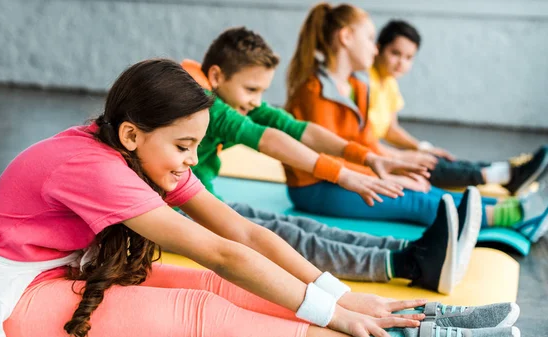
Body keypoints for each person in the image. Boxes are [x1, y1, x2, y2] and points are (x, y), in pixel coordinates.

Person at [0, 59, 520, 337]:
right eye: (183, 146)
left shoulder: (141, 150)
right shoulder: (97, 168)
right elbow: (219, 253)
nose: (190, 159)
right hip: (20, 300)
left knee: (213, 289)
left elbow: (243, 235)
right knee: (201, 313)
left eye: (196, 144)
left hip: (60, 270)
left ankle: (396, 319)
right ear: (132, 134)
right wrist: (331, 314)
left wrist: (347, 301)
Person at [181, 27, 483, 293]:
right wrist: (341, 174)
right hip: (177, 213)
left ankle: (416, 250)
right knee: (285, 237)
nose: (257, 101)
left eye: (261, 91)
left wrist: (365, 157)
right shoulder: (205, 105)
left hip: (198, 199)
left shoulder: (230, 99)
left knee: (293, 225)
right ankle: (408, 265)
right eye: (251, 90)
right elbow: (267, 139)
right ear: (218, 76)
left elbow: (298, 130)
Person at [284, 2, 548, 244]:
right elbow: (326, 158)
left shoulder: (357, 85)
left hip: (348, 176)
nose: (375, 46)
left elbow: (365, 142)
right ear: (345, 37)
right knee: (412, 198)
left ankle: (514, 206)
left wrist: (395, 168)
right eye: (369, 38)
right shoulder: (314, 92)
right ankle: (515, 217)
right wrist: (384, 176)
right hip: (315, 186)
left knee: (428, 189)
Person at [368, 19, 548, 193]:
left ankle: (506, 171)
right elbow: (358, 139)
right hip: (368, 155)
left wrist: (423, 147)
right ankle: (505, 174)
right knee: (425, 166)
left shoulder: (389, 83)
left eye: (409, 57)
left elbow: (390, 129)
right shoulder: (366, 82)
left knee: (435, 158)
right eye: (395, 53)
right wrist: (399, 157)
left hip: (376, 150)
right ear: (378, 49)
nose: (402, 62)